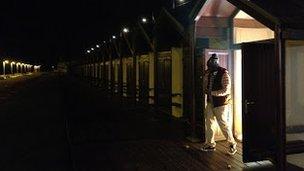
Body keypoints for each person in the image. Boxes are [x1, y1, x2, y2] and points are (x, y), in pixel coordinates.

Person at [201, 54, 237, 155]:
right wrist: (205, 86)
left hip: (221, 103)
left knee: (223, 124)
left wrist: (212, 93)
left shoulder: (224, 73)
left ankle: (232, 144)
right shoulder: (208, 72)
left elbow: (226, 90)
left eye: (211, 67)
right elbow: (206, 84)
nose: (209, 69)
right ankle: (210, 144)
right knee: (209, 123)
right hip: (210, 102)